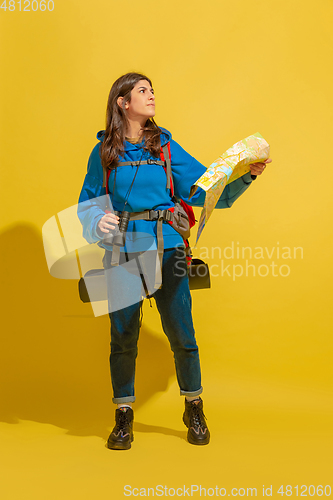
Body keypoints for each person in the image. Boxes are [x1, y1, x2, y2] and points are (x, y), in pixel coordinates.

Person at [77, 72, 269, 450]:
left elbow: (206, 190)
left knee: (183, 334)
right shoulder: (103, 153)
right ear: (123, 102)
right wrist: (96, 219)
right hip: (122, 251)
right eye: (143, 91)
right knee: (123, 337)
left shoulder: (164, 147)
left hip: (169, 251)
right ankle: (123, 416)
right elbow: (87, 204)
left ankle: (193, 406)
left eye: (152, 91)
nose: (151, 96)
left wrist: (245, 176)